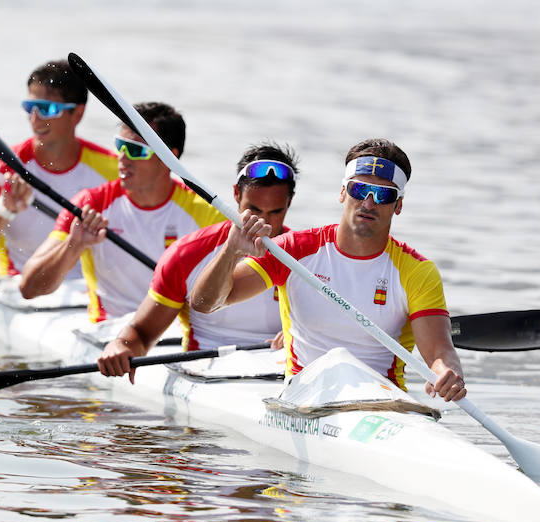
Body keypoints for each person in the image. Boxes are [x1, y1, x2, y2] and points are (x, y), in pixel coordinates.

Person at [189, 138, 467, 403]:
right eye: (359, 190)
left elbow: (439, 351)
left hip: (383, 401)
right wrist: (230, 252)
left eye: (383, 195)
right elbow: (204, 303)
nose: (368, 203)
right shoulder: (293, 250)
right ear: (343, 192)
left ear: (399, 205)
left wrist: (446, 373)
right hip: (304, 398)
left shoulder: (417, 271)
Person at [97, 143, 299, 383]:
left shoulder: (305, 256)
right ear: (236, 194)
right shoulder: (187, 254)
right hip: (206, 372)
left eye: (275, 212)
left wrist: (302, 337)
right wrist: (121, 345)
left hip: (277, 370)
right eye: (253, 210)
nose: (262, 223)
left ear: (290, 202)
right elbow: (141, 334)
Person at [19, 102, 225, 322]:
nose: (122, 158)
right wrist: (74, 244)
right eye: (120, 146)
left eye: (135, 150)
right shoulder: (91, 204)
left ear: (169, 158)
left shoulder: (205, 214)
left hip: (175, 331)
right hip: (110, 331)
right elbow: (29, 288)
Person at [0, 58, 118, 277]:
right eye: (30, 107)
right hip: (20, 290)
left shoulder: (115, 170)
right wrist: (3, 212)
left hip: (92, 292)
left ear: (78, 114)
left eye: (47, 109)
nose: (35, 119)